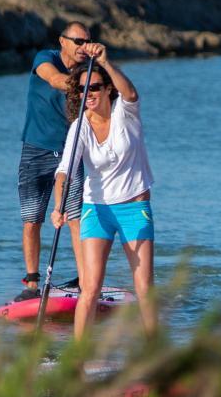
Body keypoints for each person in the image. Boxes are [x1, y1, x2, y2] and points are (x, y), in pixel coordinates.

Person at [50, 44, 157, 339]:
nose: (89, 94)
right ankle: (79, 357)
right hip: (96, 210)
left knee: (144, 288)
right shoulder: (80, 127)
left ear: (109, 88)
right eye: (83, 90)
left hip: (134, 208)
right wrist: (58, 207)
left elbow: (132, 93)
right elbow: (64, 173)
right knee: (90, 288)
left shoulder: (126, 112)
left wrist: (107, 63)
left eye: (95, 87)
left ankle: (155, 355)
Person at [14, 21, 91, 301]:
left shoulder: (89, 71)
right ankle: (32, 284)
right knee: (32, 219)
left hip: (70, 152)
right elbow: (55, 80)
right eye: (77, 41)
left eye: (87, 42)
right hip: (35, 150)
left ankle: (85, 280)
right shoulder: (45, 59)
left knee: (75, 218)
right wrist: (84, 81)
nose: (83, 47)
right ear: (63, 41)